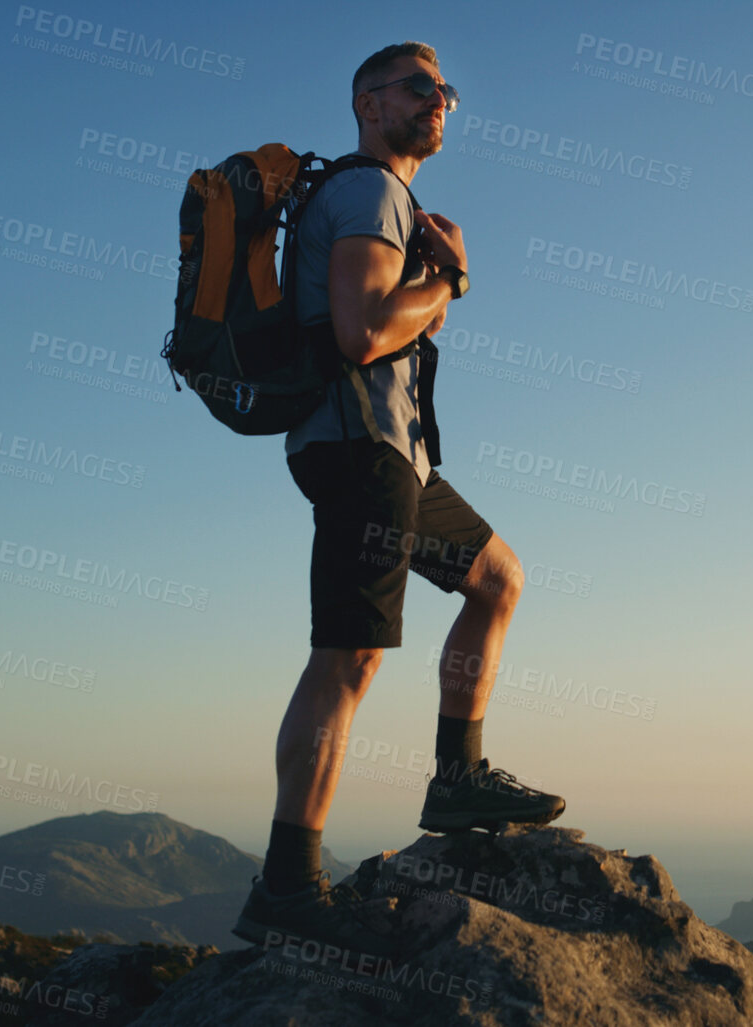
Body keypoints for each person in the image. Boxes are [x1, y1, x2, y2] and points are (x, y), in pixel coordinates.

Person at [231, 41, 565, 954]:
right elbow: (363, 332)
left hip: (395, 460)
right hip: (360, 453)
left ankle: (457, 777)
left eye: (445, 89)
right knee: (348, 659)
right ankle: (287, 886)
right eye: (419, 87)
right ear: (368, 105)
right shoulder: (369, 191)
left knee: (497, 578)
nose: (439, 100)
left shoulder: (388, 202)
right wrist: (450, 276)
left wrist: (435, 275)